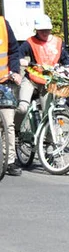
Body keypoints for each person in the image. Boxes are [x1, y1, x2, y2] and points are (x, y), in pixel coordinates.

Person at [15, 15, 69, 129]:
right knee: (23, 107)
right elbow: (17, 56)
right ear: (36, 30)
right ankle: (15, 129)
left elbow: (66, 60)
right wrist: (24, 62)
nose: (45, 33)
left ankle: (48, 140)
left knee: (49, 113)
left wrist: (67, 68)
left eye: (47, 30)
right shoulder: (30, 42)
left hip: (48, 81)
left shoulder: (58, 42)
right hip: (31, 78)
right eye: (41, 30)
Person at [0, 13, 22, 176]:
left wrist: (14, 71)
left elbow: (14, 51)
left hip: (4, 83)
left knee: (8, 123)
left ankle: (10, 161)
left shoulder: (3, 24)